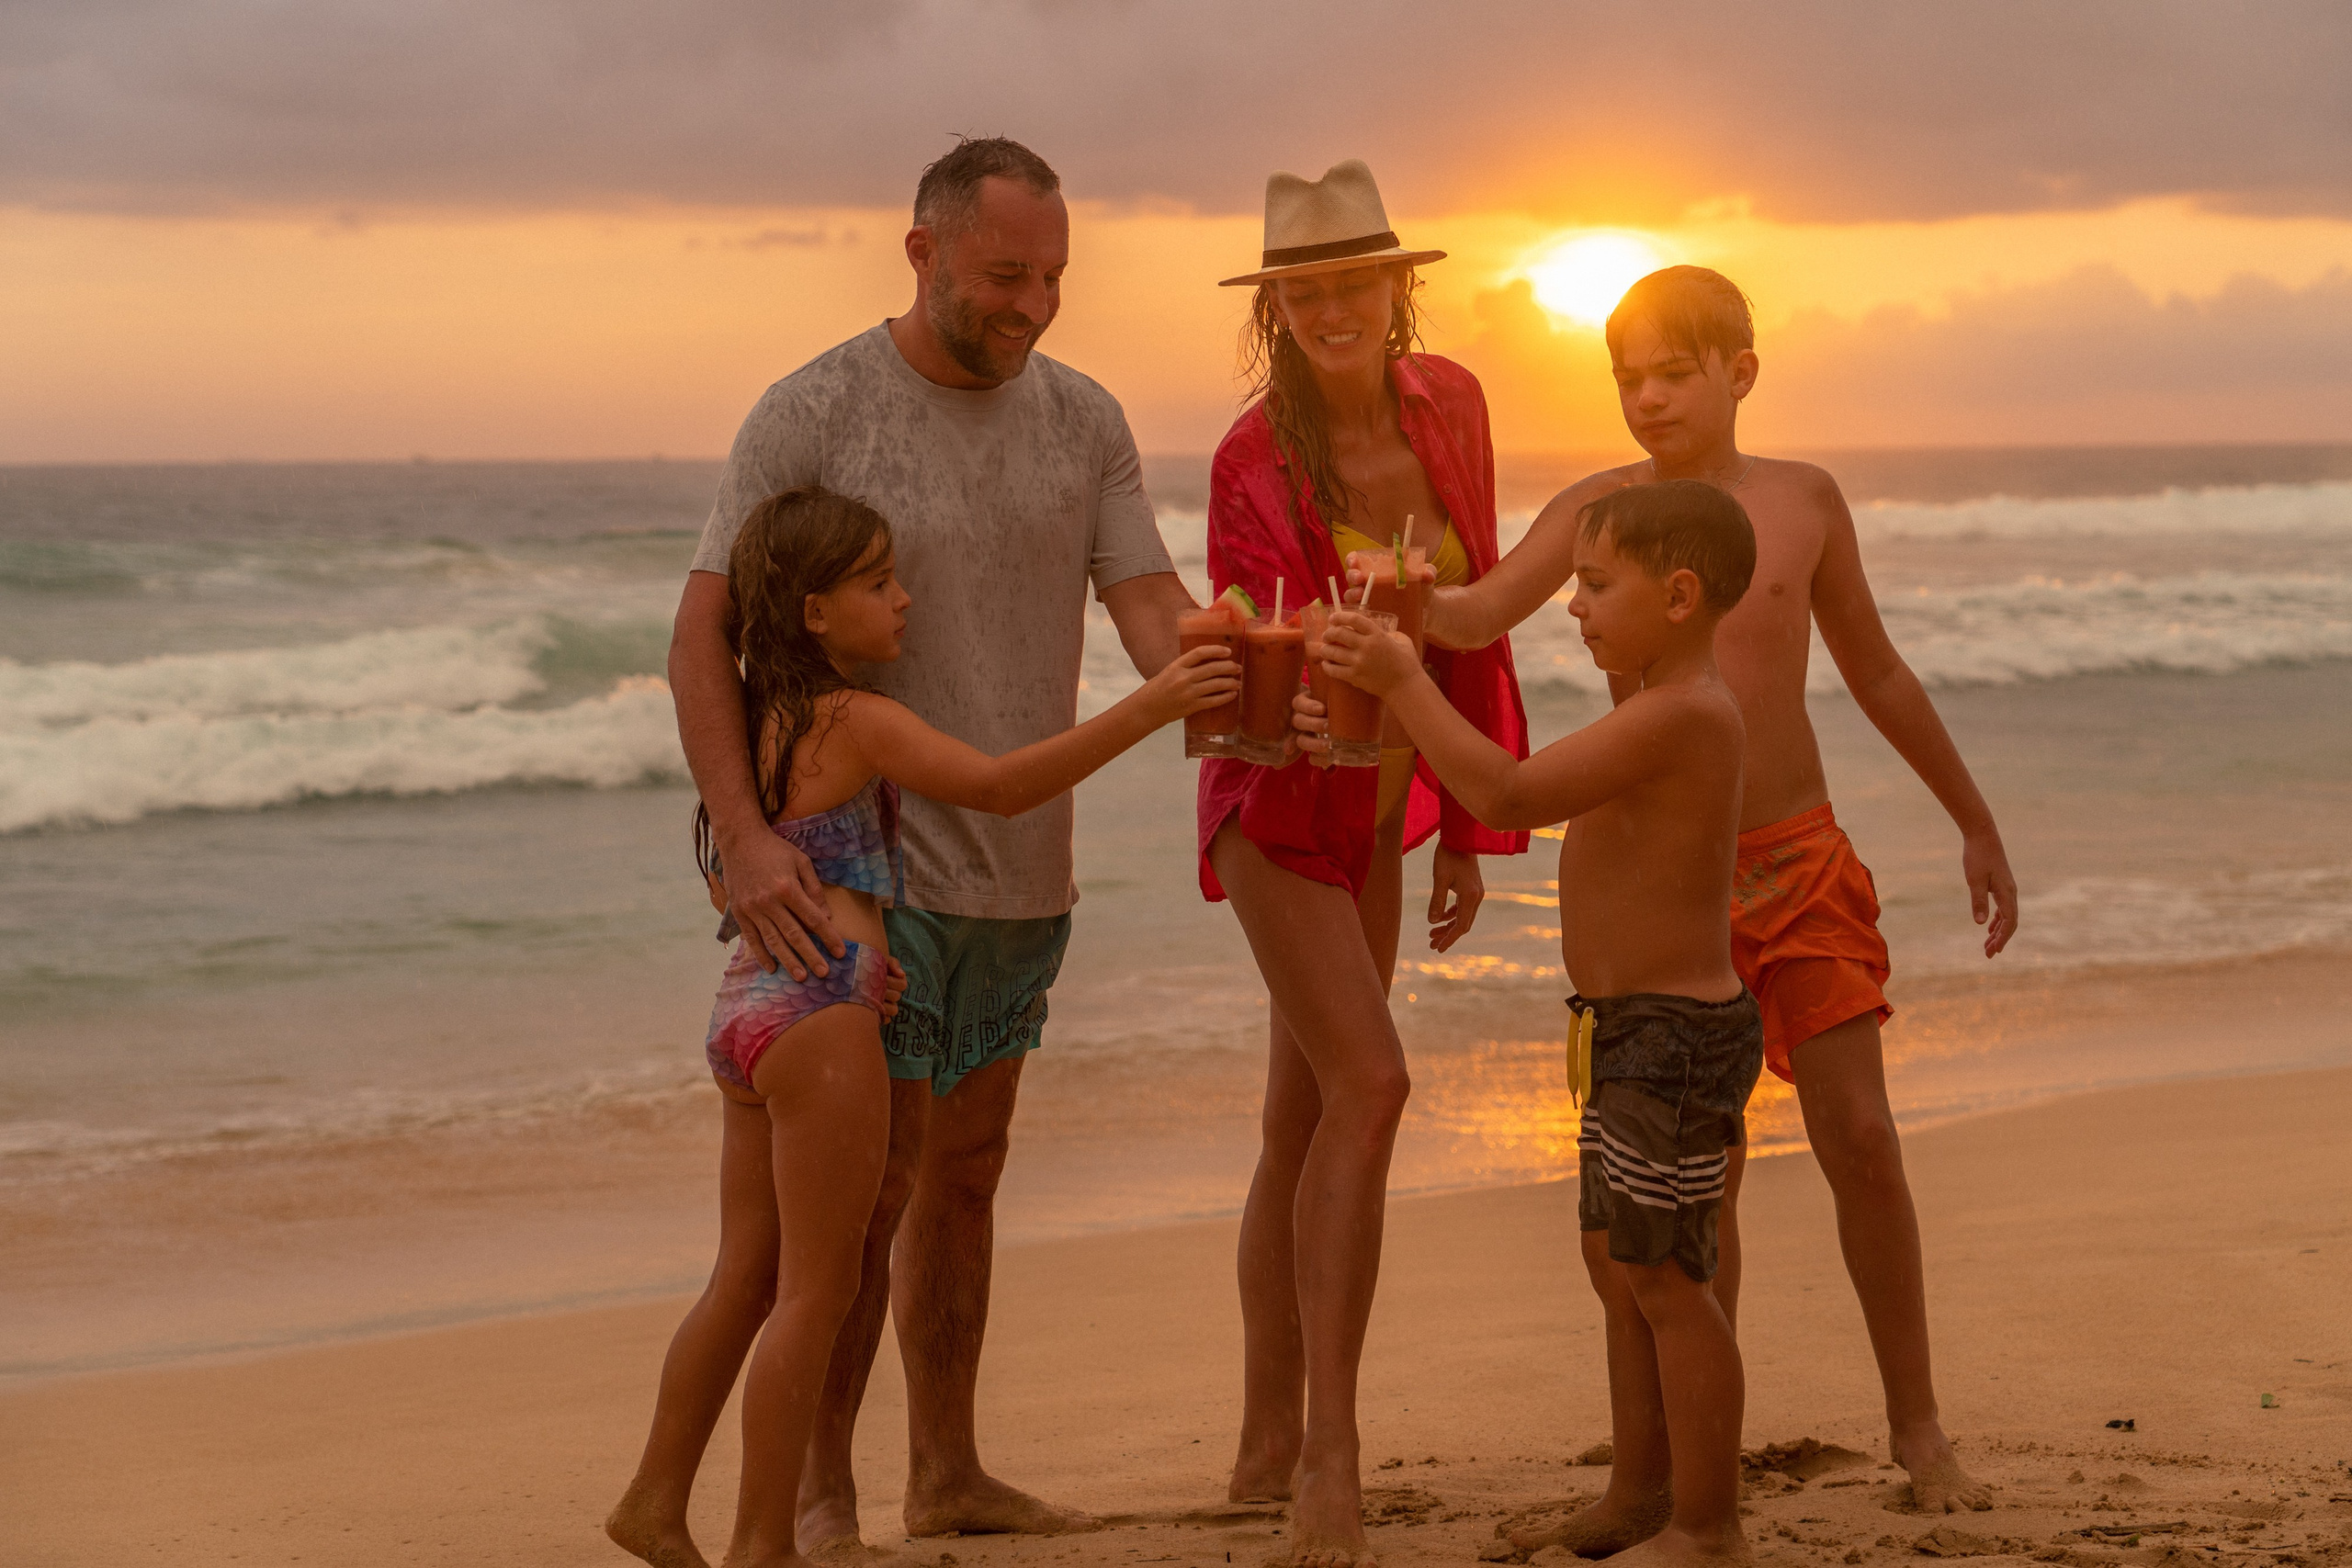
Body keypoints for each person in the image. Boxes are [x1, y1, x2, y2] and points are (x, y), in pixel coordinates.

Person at [649, 137, 1201, 1557]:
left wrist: (1239, 665)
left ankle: (945, 1470)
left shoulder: (1085, 418)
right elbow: (699, 630)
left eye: (1055, 276)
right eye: (1005, 274)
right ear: (924, 251)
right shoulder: (815, 409)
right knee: (866, 1199)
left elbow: (1152, 613)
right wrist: (750, 835)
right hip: (865, 896)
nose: (1033, 304)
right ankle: (820, 1493)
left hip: (1028, 871)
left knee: (969, 1173)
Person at [1422, 266, 2020, 1525]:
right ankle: (1700, 1457)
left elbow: (1879, 670)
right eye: (1625, 375)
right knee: (1695, 1181)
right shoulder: (1601, 511)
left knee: (1859, 1135)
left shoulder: (1801, 503)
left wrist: (1973, 817)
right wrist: (1385, 595)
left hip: (1795, 865)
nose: (1646, 396)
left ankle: (1917, 1424)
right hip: (1661, 892)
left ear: (1739, 371)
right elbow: (1474, 612)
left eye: (1673, 371)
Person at [607, 487, 1237, 1568]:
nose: (905, 601)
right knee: (819, 1288)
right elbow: (996, 789)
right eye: (878, 582)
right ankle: (766, 1545)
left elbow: (741, 874)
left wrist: (861, 953)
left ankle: (656, 1502)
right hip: (822, 1023)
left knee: (742, 1279)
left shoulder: (762, 725)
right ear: (813, 612)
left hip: (750, 1012)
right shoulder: (854, 719)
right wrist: (1151, 706)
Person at [1318, 478, 1762, 1568]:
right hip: (1623, 1033)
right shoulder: (1653, 701)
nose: (1572, 608)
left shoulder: (1682, 715)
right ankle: (1636, 1495)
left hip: (1670, 1039)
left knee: (1668, 1279)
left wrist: (1407, 682)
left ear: (1680, 595)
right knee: (1623, 1265)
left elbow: (1509, 793)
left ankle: (1709, 1528)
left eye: (1595, 587)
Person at [1199, 159, 1528, 1566]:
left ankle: (1265, 1435)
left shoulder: (1451, 400)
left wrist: (1458, 807)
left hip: (1387, 800)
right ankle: (1329, 1452)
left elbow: (1477, 614)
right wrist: (1313, 682)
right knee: (1375, 1084)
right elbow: (1254, 673)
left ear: (1401, 288)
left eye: (1356, 281)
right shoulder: (1248, 459)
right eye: (1306, 288)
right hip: (1277, 803)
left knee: (1305, 1119)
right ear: (1277, 308)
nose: (1334, 307)